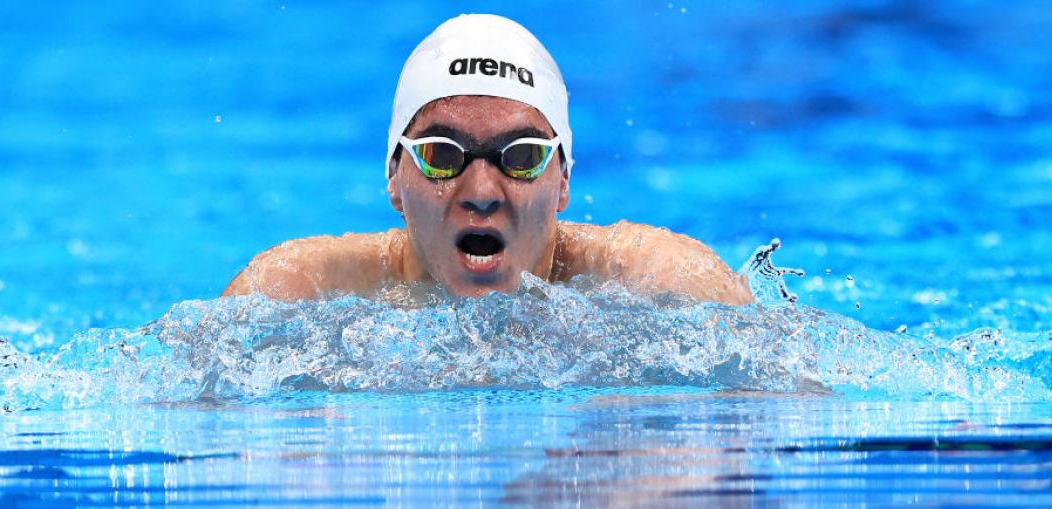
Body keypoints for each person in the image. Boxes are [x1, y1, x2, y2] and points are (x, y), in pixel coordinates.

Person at [222, 14, 754, 305]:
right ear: (393, 179)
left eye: (521, 156)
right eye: (440, 155)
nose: (480, 190)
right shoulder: (294, 289)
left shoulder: (666, 284)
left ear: (563, 180)